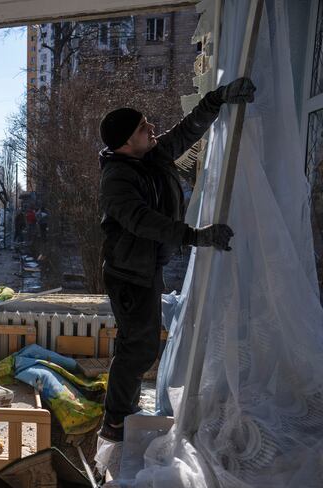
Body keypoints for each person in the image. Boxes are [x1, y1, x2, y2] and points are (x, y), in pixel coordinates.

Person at [97, 77, 254, 442]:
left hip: (143, 269)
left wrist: (215, 100)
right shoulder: (116, 179)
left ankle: (119, 415)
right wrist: (195, 236)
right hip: (128, 275)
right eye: (142, 127)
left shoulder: (150, 156)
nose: (151, 128)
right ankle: (117, 421)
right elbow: (141, 221)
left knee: (136, 344)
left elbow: (185, 133)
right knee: (140, 347)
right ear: (125, 142)